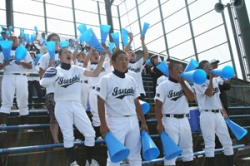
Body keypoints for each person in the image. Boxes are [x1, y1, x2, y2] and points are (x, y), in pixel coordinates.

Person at [40, 47, 104, 166]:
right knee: (68, 136)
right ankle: (73, 163)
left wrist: (102, 58)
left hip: (76, 103)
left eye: (70, 52)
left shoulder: (76, 69)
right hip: (62, 105)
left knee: (90, 133)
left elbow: (95, 73)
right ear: (60, 57)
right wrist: (49, 72)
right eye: (65, 52)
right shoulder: (56, 70)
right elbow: (43, 83)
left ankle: (89, 162)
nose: (69, 54)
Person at [96, 49, 149, 166]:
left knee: (135, 156)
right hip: (115, 121)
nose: (125, 62)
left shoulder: (131, 79)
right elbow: (100, 103)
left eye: (126, 59)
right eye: (121, 59)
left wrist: (143, 122)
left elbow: (136, 103)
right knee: (114, 157)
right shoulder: (105, 79)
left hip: (133, 120)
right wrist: (103, 124)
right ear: (113, 62)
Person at [194, 60, 234, 166]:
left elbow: (218, 95)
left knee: (227, 141)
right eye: (206, 66)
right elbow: (210, 93)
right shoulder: (198, 81)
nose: (209, 68)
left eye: (209, 66)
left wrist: (223, 111)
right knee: (210, 143)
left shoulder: (215, 80)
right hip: (206, 114)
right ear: (202, 70)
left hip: (218, 113)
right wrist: (211, 79)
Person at [154, 62, 195, 166]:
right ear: (170, 71)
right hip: (169, 120)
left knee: (188, 151)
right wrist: (159, 123)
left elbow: (192, 98)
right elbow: (158, 105)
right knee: (170, 154)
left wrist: (182, 83)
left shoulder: (185, 84)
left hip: (184, 119)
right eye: (177, 69)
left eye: (181, 69)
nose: (180, 71)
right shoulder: (163, 85)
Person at [0, 33, 32, 127]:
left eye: (15, 38)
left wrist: (22, 63)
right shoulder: (3, 53)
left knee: (23, 100)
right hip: (8, 76)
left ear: (19, 40)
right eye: (11, 38)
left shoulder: (24, 51)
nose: (13, 39)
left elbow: (30, 66)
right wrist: (4, 64)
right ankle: (3, 125)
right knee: (6, 101)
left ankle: (25, 125)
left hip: (21, 76)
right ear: (8, 40)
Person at [38, 33, 61, 144]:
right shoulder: (45, 57)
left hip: (65, 91)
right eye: (53, 40)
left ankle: (68, 139)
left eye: (57, 40)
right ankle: (56, 140)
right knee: (53, 118)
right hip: (51, 91)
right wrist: (49, 67)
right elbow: (41, 77)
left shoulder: (64, 55)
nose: (55, 42)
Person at [86, 44, 112, 140]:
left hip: (105, 91)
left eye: (97, 53)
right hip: (93, 91)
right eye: (93, 54)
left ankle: (107, 134)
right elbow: (85, 62)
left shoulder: (104, 64)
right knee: (96, 113)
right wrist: (90, 50)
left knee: (107, 113)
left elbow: (112, 59)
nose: (96, 55)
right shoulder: (88, 65)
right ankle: (98, 135)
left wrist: (105, 49)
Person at [124, 34, 149, 100]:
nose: (132, 53)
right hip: (129, 91)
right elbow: (124, 52)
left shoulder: (138, 64)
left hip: (140, 91)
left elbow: (146, 55)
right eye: (129, 52)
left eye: (133, 52)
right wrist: (131, 40)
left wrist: (143, 42)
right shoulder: (125, 64)